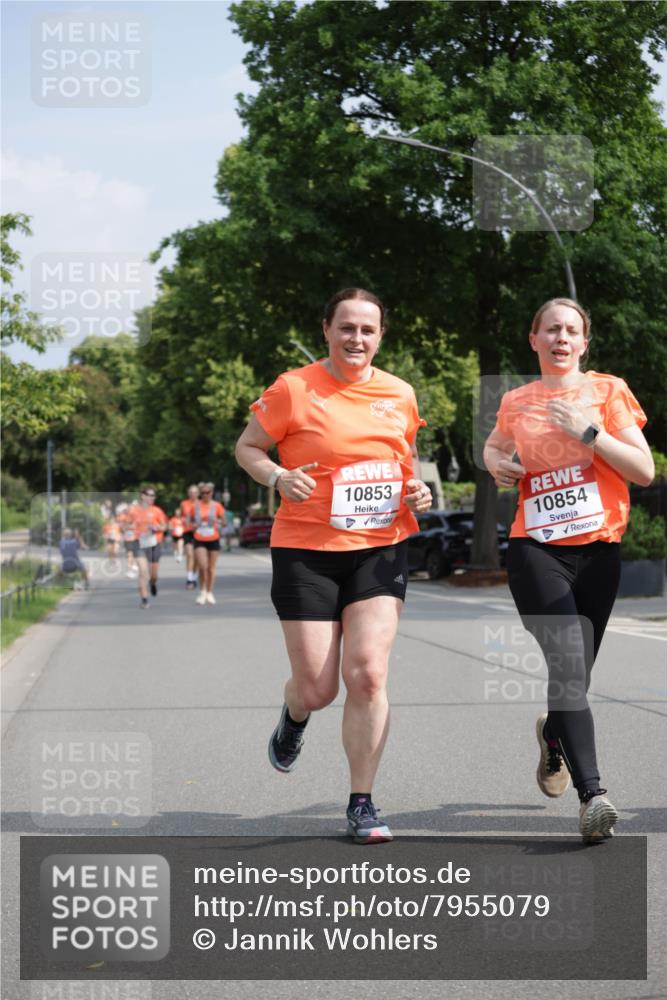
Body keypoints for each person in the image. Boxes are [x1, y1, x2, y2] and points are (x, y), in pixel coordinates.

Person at [235, 287, 432, 844]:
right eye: (347, 327)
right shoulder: (293, 388)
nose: (357, 338)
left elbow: (403, 464)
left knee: (368, 673)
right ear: (326, 329)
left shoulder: (399, 393)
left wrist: (416, 491)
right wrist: (276, 476)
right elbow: (248, 448)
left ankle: (362, 803)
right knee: (318, 689)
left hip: (379, 546)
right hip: (306, 550)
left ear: (380, 336)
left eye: (368, 330)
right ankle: (294, 714)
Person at [483, 297, 654, 842]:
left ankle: (553, 737)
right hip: (535, 547)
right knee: (568, 660)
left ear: (584, 343)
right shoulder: (516, 400)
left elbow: (644, 471)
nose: (561, 338)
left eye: (571, 331)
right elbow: (493, 447)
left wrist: (590, 432)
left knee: (574, 676)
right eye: (550, 329)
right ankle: (594, 797)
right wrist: (497, 464)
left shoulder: (608, 392)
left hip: (598, 550)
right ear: (532, 339)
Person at [128, 486, 168, 609]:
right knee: (143, 571)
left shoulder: (157, 511)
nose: (152, 498)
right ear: (142, 496)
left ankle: (153, 582)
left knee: (153, 574)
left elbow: (164, 526)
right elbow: (125, 525)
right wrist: (130, 526)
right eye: (149, 495)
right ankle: (144, 599)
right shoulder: (134, 510)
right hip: (139, 543)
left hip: (154, 543)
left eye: (153, 495)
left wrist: (157, 528)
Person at [192, 482, 226, 606]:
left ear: (212, 493)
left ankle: (210, 592)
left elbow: (225, 522)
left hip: (213, 538)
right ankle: (202, 591)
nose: (205, 495)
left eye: (208, 492)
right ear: (200, 494)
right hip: (199, 537)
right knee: (202, 566)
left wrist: (216, 521)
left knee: (211, 568)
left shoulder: (217, 506)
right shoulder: (195, 506)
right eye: (203, 493)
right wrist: (193, 525)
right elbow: (188, 521)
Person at [179, 485, 200, 589]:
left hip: (199, 532)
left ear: (198, 493)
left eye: (195, 492)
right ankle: (189, 578)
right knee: (190, 554)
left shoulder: (201, 504)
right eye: (191, 492)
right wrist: (184, 521)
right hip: (187, 532)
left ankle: (194, 577)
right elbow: (182, 516)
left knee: (196, 557)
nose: (193, 494)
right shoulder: (184, 504)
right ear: (188, 493)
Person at [117, 503, 138, 578]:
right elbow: (121, 527)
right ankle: (130, 570)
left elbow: (136, 526)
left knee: (134, 554)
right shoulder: (123, 517)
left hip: (135, 538)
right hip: (128, 538)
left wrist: (128, 526)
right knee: (129, 554)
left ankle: (134, 566)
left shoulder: (136, 516)